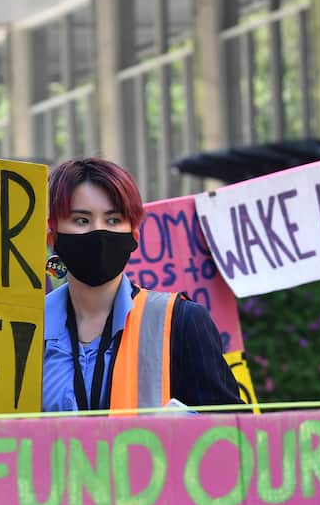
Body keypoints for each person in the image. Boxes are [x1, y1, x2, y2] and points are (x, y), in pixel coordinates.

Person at [43, 157, 243, 413]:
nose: (98, 232)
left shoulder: (181, 322)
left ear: (134, 235)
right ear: (52, 236)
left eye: (113, 220)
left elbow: (232, 429)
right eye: (81, 220)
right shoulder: (27, 327)